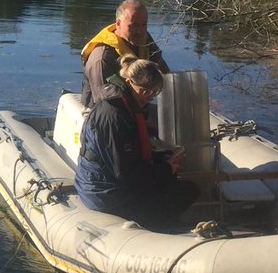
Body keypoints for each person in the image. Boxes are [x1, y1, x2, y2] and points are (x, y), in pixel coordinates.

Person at [75, 55, 199, 229]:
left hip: (108, 182)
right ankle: (161, 230)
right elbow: (125, 173)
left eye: (154, 92)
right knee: (187, 192)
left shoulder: (124, 106)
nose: (149, 97)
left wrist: (164, 160)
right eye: (145, 91)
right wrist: (167, 169)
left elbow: (130, 154)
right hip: (105, 192)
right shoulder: (115, 116)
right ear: (128, 82)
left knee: (173, 182)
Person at [81, 0, 170, 107]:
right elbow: (104, 105)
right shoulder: (102, 58)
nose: (140, 31)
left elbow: (163, 70)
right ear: (118, 23)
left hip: (137, 101)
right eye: (134, 25)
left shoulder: (143, 38)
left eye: (144, 25)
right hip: (101, 110)